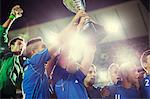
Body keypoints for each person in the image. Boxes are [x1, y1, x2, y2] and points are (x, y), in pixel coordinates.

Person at [22, 10, 91, 99]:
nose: (46, 49)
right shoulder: (34, 62)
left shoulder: (36, 71)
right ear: (34, 53)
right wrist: (75, 21)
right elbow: (59, 41)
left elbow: (58, 55)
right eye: (43, 47)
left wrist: (78, 28)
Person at [0, 5, 25, 98]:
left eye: (23, 45)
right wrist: (12, 17)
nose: (22, 47)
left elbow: (22, 85)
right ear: (11, 46)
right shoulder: (4, 53)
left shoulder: (19, 67)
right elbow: (2, 32)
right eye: (19, 43)